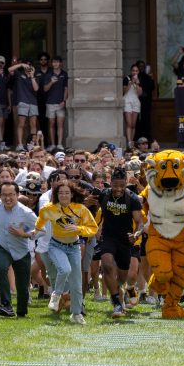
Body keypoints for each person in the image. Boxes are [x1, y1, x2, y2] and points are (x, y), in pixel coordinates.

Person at [35, 182, 98, 325]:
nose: (64, 195)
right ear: (56, 195)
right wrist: (35, 231)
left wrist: (78, 228)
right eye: (61, 193)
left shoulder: (80, 209)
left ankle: (76, 314)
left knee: (76, 283)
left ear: (72, 194)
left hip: (74, 247)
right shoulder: (48, 209)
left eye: (67, 193)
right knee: (65, 269)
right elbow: (39, 223)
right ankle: (56, 295)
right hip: (56, 245)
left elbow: (92, 228)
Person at [93, 167, 144, 318]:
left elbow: (139, 222)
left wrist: (136, 233)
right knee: (107, 266)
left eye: (122, 185)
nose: (118, 189)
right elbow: (94, 210)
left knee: (122, 277)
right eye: (115, 185)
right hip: (108, 238)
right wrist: (97, 228)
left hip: (125, 241)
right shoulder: (104, 195)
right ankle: (116, 302)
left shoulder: (132, 199)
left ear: (126, 183)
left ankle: (119, 290)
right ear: (110, 183)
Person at [0, 181, 38, 318]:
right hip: (2, 247)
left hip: (21, 250)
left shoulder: (26, 212)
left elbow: (40, 230)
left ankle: (21, 311)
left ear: (17, 195)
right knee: (1, 268)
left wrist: (24, 234)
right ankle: (6, 305)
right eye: (4, 195)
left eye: (11, 195)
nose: (7, 198)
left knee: (22, 286)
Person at [8, 58, 40, 152]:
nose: (27, 67)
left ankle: (31, 144)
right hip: (22, 101)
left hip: (33, 102)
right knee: (21, 123)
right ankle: (20, 144)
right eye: (26, 65)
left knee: (33, 124)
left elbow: (36, 89)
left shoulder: (35, 76)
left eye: (29, 65)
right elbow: (10, 69)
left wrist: (32, 76)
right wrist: (21, 64)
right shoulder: (19, 74)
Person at [43, 56, 68, 148]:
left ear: (60, 63)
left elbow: (66, 88)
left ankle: (60, 144)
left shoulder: (64, 74)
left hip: (60, 103)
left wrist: (64, 100)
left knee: (60, 124)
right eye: (53, 62)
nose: (55, 64)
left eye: (57, 62)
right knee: (51, 124)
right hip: (50, 103)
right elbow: (45, 89)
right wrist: (51, 82)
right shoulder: (48, 75)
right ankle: (53, 144)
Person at [123, 64, 143, 149]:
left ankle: (132, 141)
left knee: (134, 124)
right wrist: (130, 83)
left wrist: (137, 84)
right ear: (131, 71)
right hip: (127, 101)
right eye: (133, 71)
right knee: (129, 123)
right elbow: (124, 91)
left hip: (136, 102)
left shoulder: (140, 80)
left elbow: (140, 93)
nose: (135, 72)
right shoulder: (126, 78)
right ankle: (129, 142)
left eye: (136, 71)